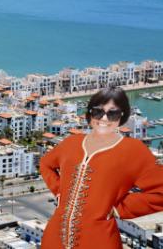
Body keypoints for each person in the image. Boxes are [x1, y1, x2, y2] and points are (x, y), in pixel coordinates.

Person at [40, 87, 163, 248]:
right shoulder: (72, 143)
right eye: (98, 112)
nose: (104, 118)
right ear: (90, 114)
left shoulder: (133, 150)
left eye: (112, 113)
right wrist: (59, 191)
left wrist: (119, 209)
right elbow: (46, 164)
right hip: (54, 238)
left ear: (122, 116)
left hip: (100, 239)